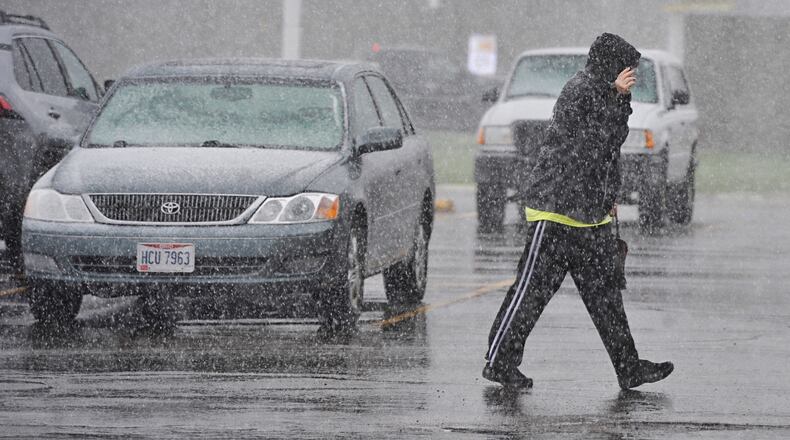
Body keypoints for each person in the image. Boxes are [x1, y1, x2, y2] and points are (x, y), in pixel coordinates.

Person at [482, 33, 673, 390]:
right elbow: (594, 142)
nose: (630, 75)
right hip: (556, 212)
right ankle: (499, 361)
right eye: (626, 68)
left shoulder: (606, 94)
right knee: (530, 293)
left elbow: (610, 150)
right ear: (610, 65)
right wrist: (616, 96)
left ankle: (628, 367)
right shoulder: (582, 91)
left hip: (591, 216)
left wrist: (609, 194)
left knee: (606, 299)